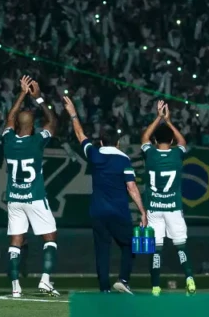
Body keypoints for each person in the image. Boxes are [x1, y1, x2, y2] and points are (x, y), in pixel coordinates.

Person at [62, 93, 147, 294]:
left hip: (98, 212)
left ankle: (104, 289)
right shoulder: (124, 160)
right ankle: (123, 279)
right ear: (118, 143)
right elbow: (132, 187)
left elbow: (80, 136)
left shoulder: (94, 154)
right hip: (118, 212)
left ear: (101, 142)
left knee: (102, 250)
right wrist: (142, 211)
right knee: (130, 245)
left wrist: (73, 114)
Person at [1, 76, 60, 298]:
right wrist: (39, 99)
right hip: (35, 197)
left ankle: (15, 286)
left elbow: (8, 118)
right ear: (33, 126)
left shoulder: (8, 140)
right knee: (50, 237)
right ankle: (45, 280)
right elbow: (53, 122)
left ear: (16, 125)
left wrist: (22, 94)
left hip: (15, 198)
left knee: (16, 240)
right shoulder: (37, 141)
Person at [141, 100, 195, 296]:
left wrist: (158, 117)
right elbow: (183, 142)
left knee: (156, 249)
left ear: (155, 141)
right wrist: (169, 120)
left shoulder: (151, 155)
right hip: (173, 207)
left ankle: (155, 286)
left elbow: (144, 137)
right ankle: (189, 278)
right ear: (171, 141)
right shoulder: (176, 155)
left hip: (154, 208)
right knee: (180, 245)